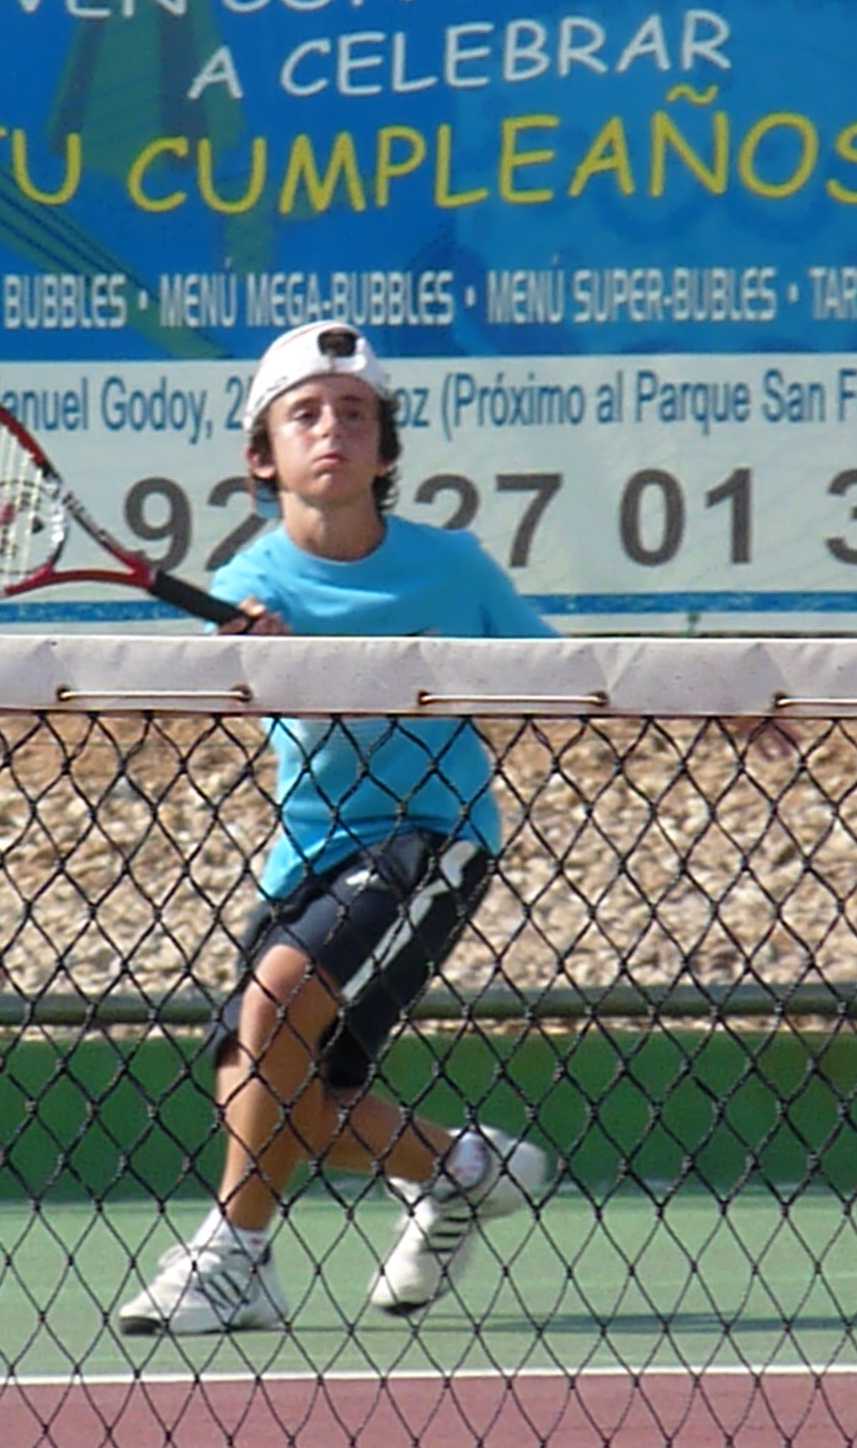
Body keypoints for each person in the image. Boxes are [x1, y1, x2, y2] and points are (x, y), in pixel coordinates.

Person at [115, 319, 558, 1337]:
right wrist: (257, 661)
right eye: (305, 415)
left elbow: (558, 672)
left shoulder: (456, 569)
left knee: (275, 1004)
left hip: (433, 837)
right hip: (308, 860)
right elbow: (234, 707)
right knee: (276, 1097)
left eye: (355, 414)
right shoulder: (249, 587)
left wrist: (721, 696)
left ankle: (234, 1260)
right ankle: (463, 1169)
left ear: (385, 451)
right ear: (262, 458)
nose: (332, 430)